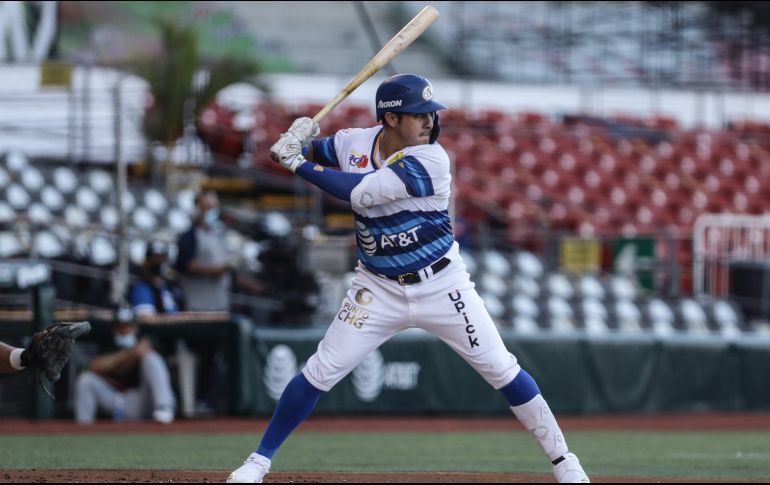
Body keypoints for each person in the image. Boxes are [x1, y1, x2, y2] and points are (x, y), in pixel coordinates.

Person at [227, 74, 590, 483]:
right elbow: (321, 151)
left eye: (431, 114)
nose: (430, 122)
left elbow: (359, 191)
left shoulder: (432, 159)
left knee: (501, 368)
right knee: (320, 370)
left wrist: (297, 163)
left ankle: (566, 463)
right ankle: (257, 462)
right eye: (420, 115)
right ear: (392, 118)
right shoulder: (353, 142)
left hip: (442, 284)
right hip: (377, 287)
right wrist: (298, 138)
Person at [73, 318, 176, 424]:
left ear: (135, 328)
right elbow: (93, 367)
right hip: (116, 401)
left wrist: (123, 360)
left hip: (141, 401)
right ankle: (83, 427)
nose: (125, 331)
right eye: (121, 328)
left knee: (151, 358)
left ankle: (164, 407)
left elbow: (151, 357)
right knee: (85, 380)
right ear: (115, 330)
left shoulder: (147, 340)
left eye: (128, 327)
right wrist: (129, 355)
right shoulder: (108, 343)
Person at [175, 191, 264, 312]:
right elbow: (186, 265)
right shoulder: (190, 236)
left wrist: (252, 286)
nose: (211, 212)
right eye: (207, 208)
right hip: (197, 307)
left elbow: (228, 270)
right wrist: (214, 270)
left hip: (219, 306)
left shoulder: (220, 236)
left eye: (213, 208)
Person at [129, 240, 179, 318]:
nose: (158, 262)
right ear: (147, 260)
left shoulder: (171, 286)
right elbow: (146, 318)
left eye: (161, 257)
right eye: (154, 257)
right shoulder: (141, 287)